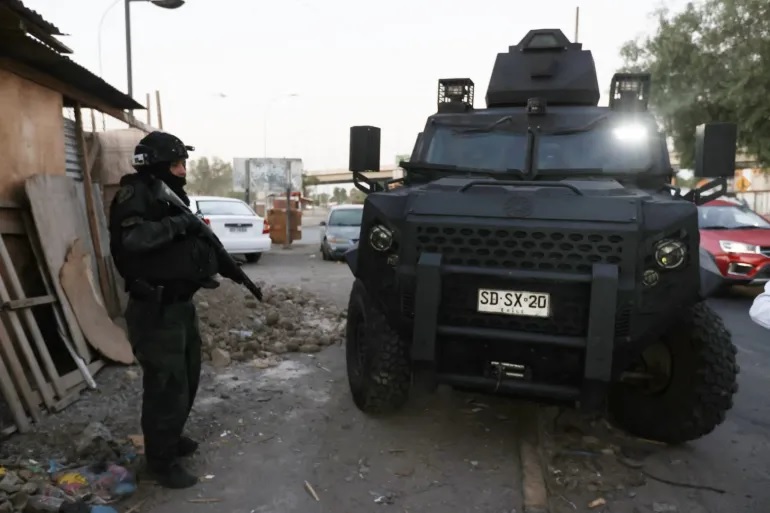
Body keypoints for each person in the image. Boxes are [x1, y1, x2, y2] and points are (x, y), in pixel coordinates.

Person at [108, 130, 220, 489]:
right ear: (155, 165)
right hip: (154, 309)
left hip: (179, 304)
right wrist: (179, 224)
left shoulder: (169, 194)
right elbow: (134, 239)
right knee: (165, 387)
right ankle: (160, 461)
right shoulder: (134, 194)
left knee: (187, 378)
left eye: (183, 163)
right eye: (175, 164)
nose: (183, 170)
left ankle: (171, 436)